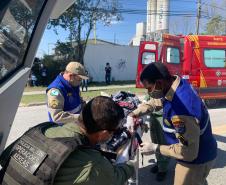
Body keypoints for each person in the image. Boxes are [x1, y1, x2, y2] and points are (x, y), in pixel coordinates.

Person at [0, 96, 135, 185]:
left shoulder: (41, 128)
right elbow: (115, 178)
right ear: (103, 133)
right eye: (114, 131)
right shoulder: (91, 163)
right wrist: (130, 165)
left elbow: (5, 156)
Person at [129, 62, 217, 185]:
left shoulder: (182, 111)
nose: (149, 92)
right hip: (197, 150)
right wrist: (134, 114)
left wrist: (155, 148)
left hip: (196, 160)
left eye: (149, 88)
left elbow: (188, 152)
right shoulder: (173, 83)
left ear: (159, 83)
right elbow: (155, 102)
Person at [143, 94, 170, 181]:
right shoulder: (153, 84)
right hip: (153, 116)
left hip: (162, 117)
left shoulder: (163, 83)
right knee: (155, 141)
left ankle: (163, 169)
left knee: (163, 143)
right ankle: (159, 163)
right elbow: (148, 96)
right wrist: (144, 101)